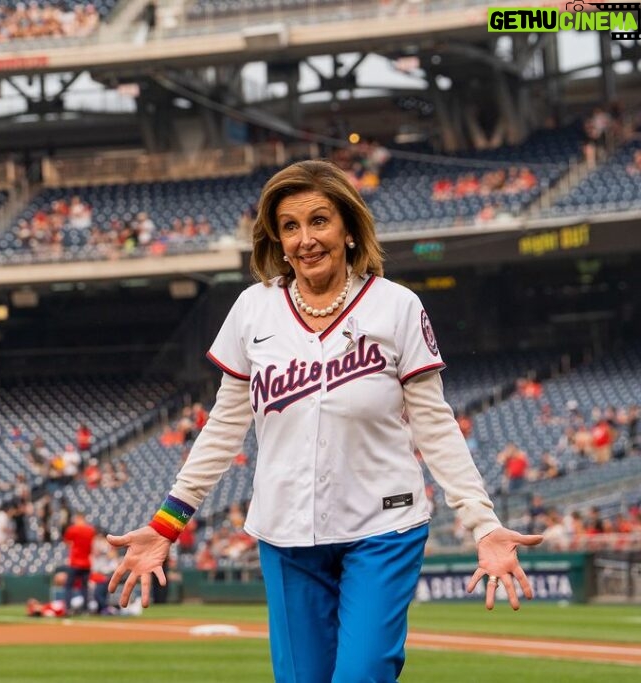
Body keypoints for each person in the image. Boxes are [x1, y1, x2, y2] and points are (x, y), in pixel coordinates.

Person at [106, 160, 544, 683]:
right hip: (286, 532)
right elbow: (224, 426)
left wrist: (483, 522)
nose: (306, 239)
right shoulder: (253, 309)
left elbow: (434, 424)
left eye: (319, 221)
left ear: (349, 229)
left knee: (363, 672)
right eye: (290, 226)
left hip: (383, 526)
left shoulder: (396, 306)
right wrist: (166, 524)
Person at [62, 512, 95, 614]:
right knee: (84, 587)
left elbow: (67, 543)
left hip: (75, 562)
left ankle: (68, 608)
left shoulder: (72, 529)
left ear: (78, 518)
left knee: (69, 586)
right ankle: (85, 609)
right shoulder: (90, 530)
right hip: (86, 563)